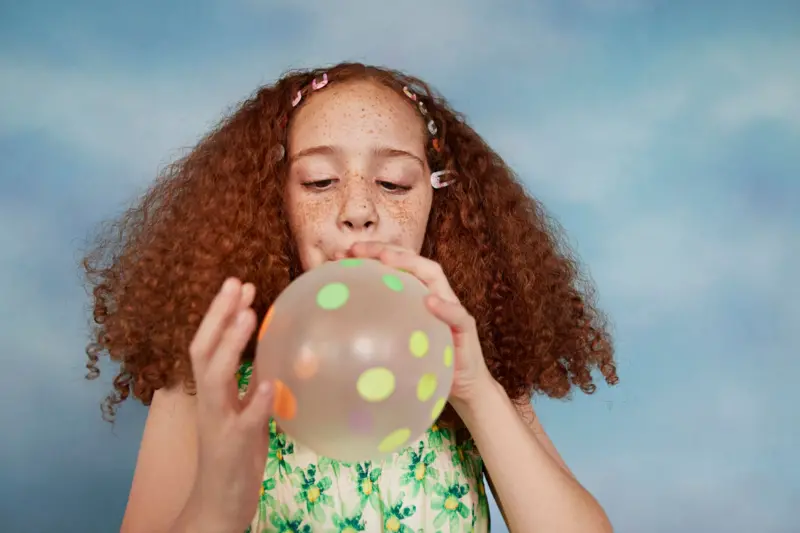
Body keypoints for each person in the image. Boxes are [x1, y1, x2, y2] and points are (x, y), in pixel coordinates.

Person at [83, 62, 618, 533]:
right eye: (319, 181)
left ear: (438, 202)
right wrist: (218, 504)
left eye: (393, 182)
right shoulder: (208, 382)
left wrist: (479, 394)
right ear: (275, 203)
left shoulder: (473, 371)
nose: (358, 208)